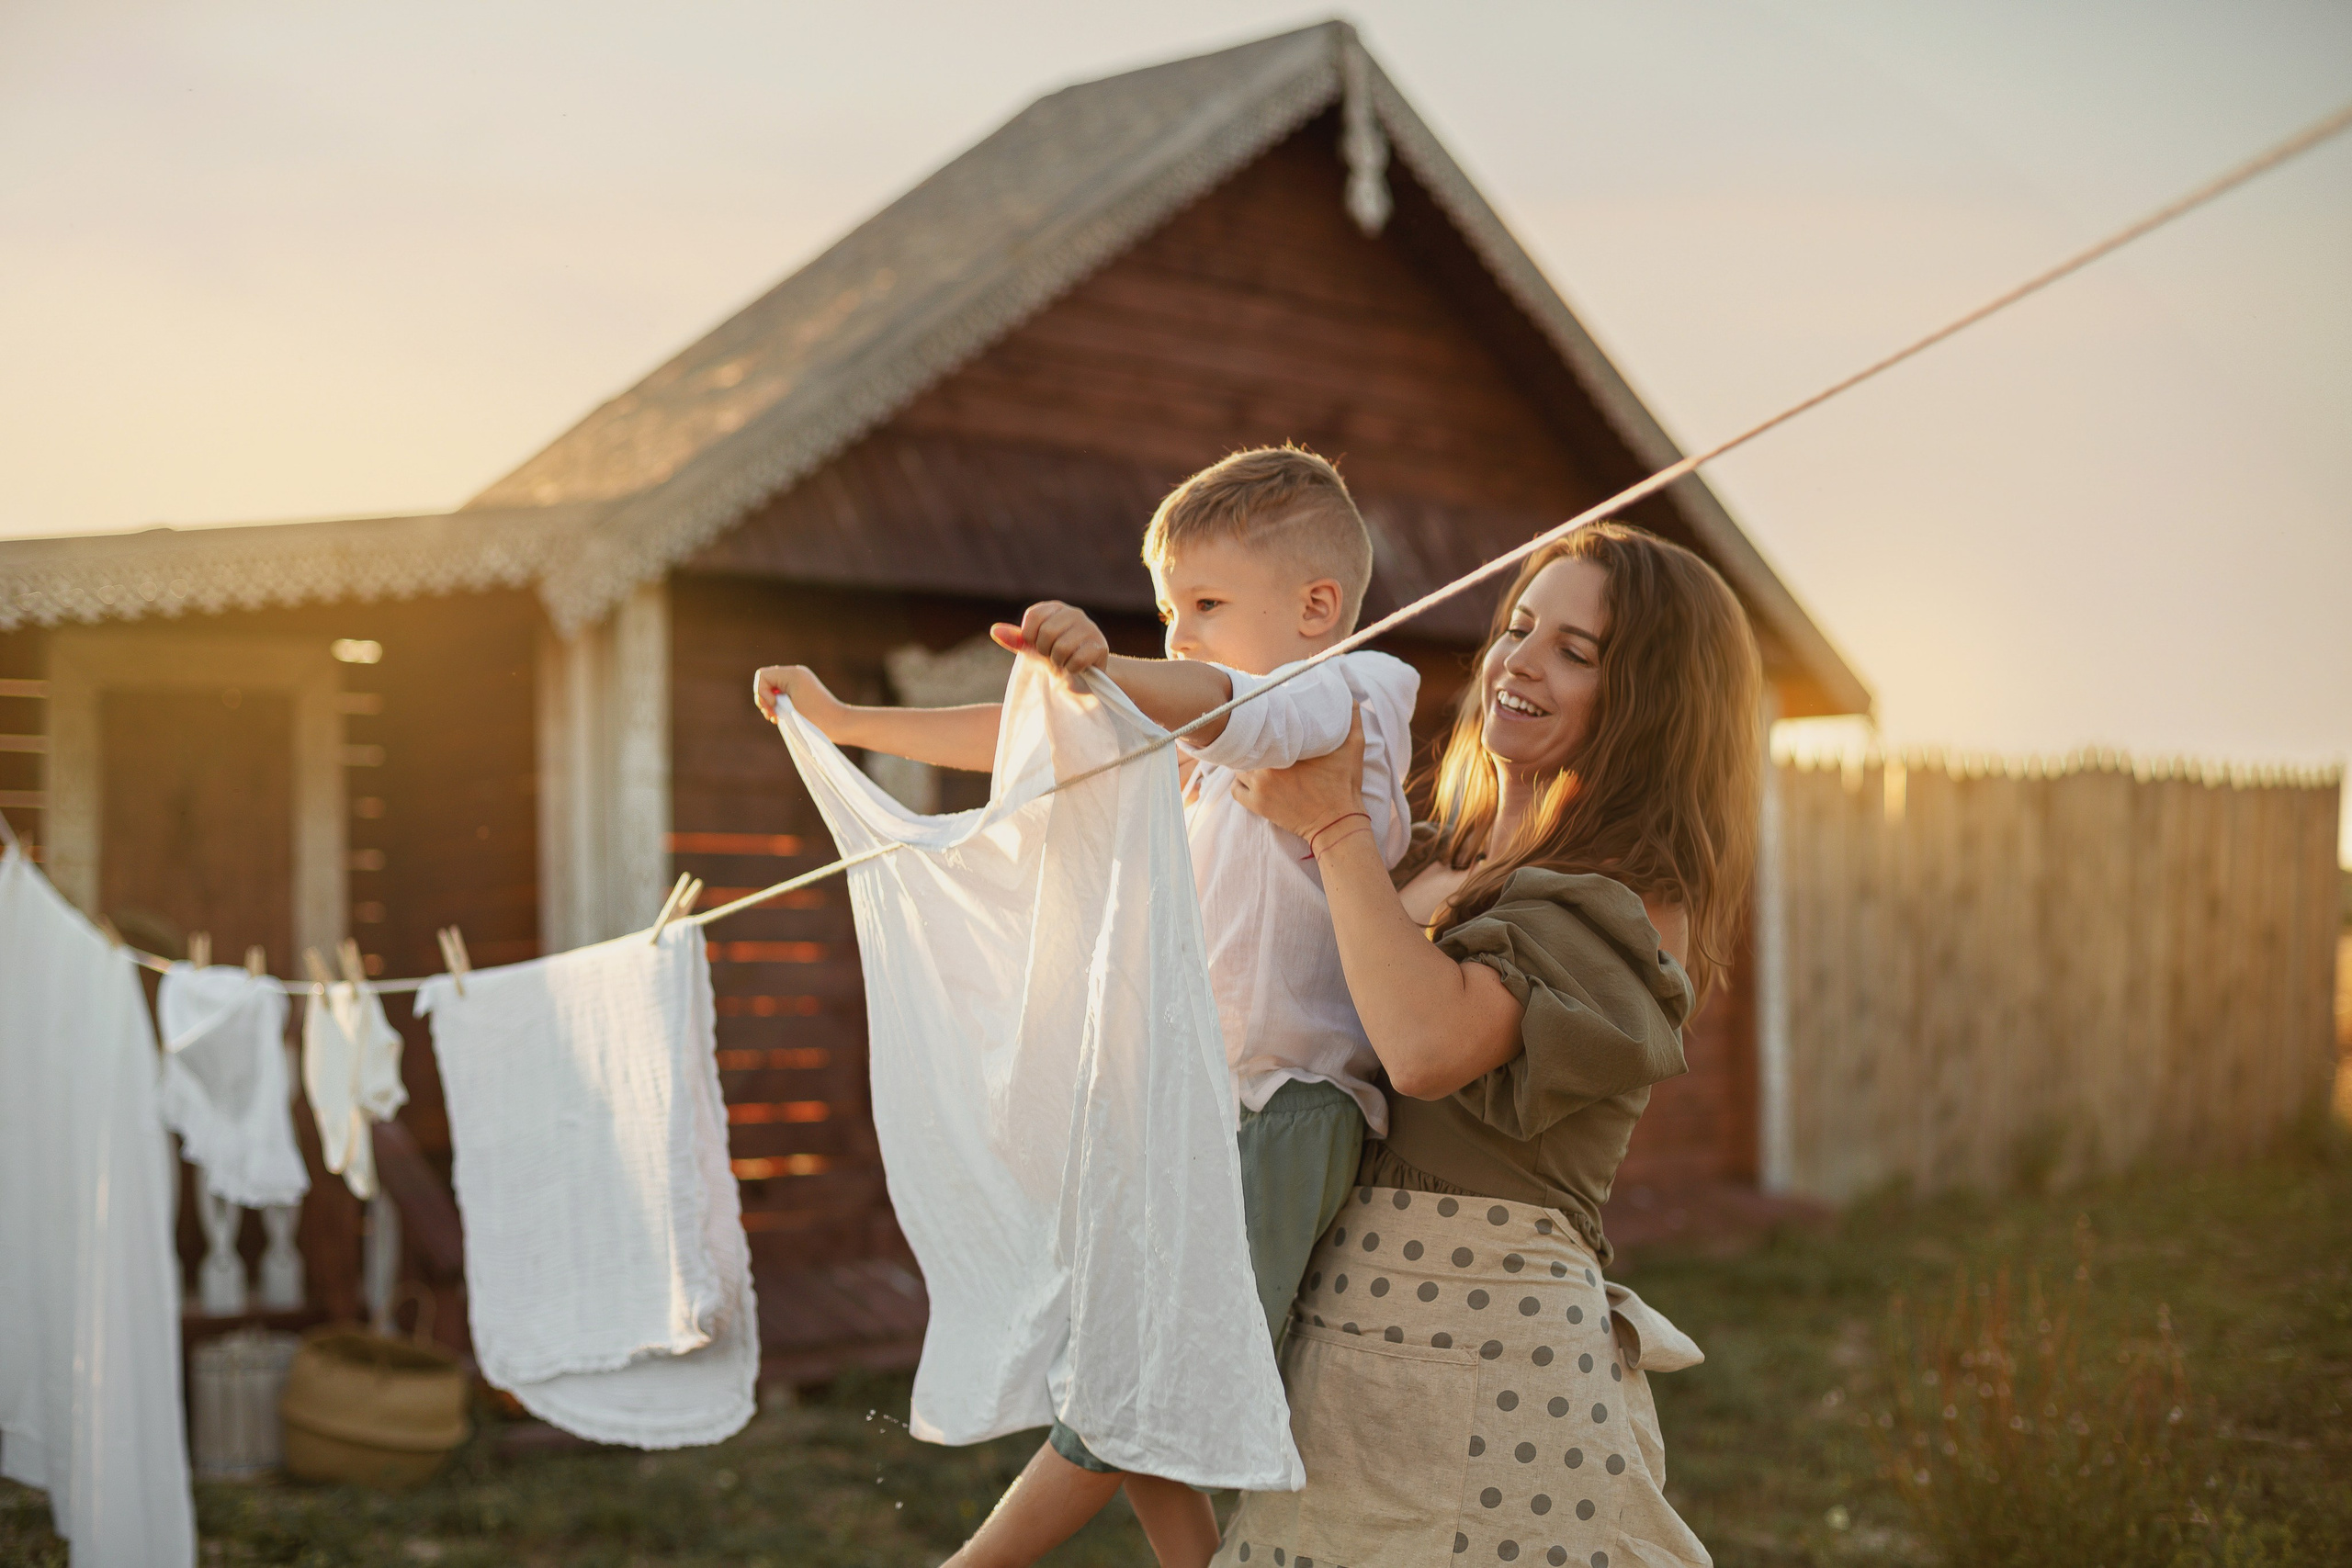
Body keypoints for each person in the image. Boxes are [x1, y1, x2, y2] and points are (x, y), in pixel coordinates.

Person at [753, 446, 1420, 1568]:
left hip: (1283, 1105)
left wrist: (1106, 666)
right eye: (1169, 611)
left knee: (1140, 1374)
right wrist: (848, 721)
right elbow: (1033, 748)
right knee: (1120, 1354)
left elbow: (1219, 701)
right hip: (1186, 1104)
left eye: (1206, 604)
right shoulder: (1206, 746)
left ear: (1317, 607)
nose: (1183, 634)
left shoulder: (1347, 695)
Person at [1206, 522, 1758, 1568]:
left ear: (1652, 706)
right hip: (1352, 1354)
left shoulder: (1624, 905)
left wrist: (1330, 832)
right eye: (1518, 627)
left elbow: (1422, 1047)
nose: (1518, 662)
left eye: (1575, 652)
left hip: (1489, 1349)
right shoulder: (1434, 857)